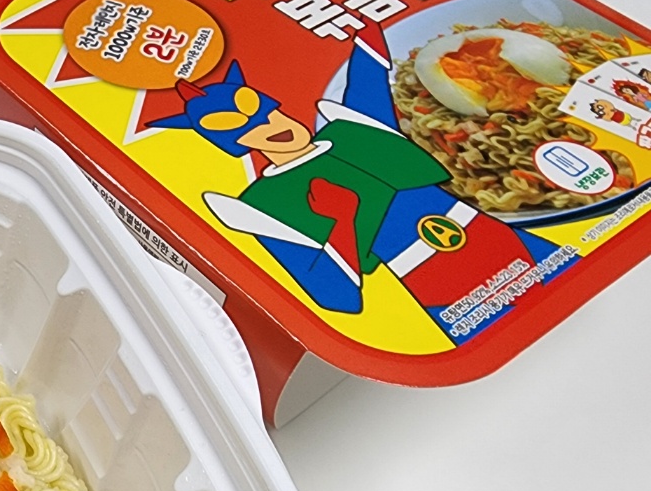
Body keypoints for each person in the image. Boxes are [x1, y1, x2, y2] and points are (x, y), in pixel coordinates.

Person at [147, 29, 570, 337]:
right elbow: (336, 298)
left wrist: (357, 15)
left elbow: (366, 75)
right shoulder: (262, 205)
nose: (271, 125)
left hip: (514, 242)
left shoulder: (347, 130)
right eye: (248, 129)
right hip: (450, 295)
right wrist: (343, 223)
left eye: (268, 112)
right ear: (237, 145)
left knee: (571, 296)